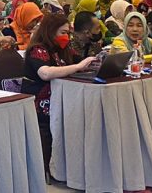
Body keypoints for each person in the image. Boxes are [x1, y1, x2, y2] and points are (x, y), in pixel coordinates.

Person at [22, 13, 97, 172]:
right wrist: (77, 67)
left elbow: (80, 62)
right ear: (50, 31)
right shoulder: (38, 50)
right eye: (63, 33)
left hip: (61, 98)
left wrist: (94, 62)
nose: (66, 37)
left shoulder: (62, 49)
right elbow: (45, 73)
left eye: (68, 33)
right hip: (40, 101)